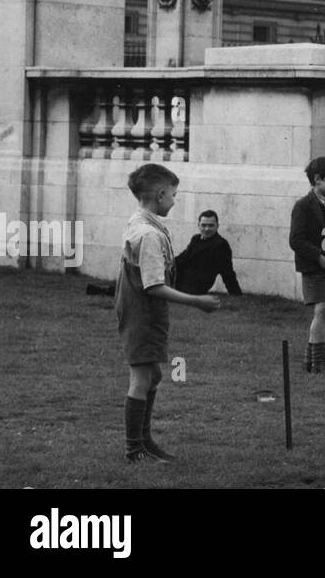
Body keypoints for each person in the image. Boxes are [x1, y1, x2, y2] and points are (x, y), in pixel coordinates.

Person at [117, 163, 220, 463]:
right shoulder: (147, 234)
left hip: (142, 310)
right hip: (142, 312)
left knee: (155, 374)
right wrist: (196, 301)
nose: (175, 201)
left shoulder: (140, 221)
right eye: (173, 195)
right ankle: (134, 448)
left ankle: (144, 441)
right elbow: (153, 286)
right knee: (141, 377)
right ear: (160, 195)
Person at [290, 156, 325, 375]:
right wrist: (319, 257)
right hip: (314, 266)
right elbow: (296, 240)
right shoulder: (303, 206)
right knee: (321, 309)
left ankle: (310, 360)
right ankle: (319, 361)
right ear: (317, 179)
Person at [175, 210, 243, 296]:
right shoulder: (196, 239)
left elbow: (227, 273)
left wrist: (236, 294)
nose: (207, 229)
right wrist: (166, 264)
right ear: (198, 225)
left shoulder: (221, 245)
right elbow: (183, 258)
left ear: (217, 226)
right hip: (182, 277)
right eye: (203, 225)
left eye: (211, 226)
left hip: (196, 286)